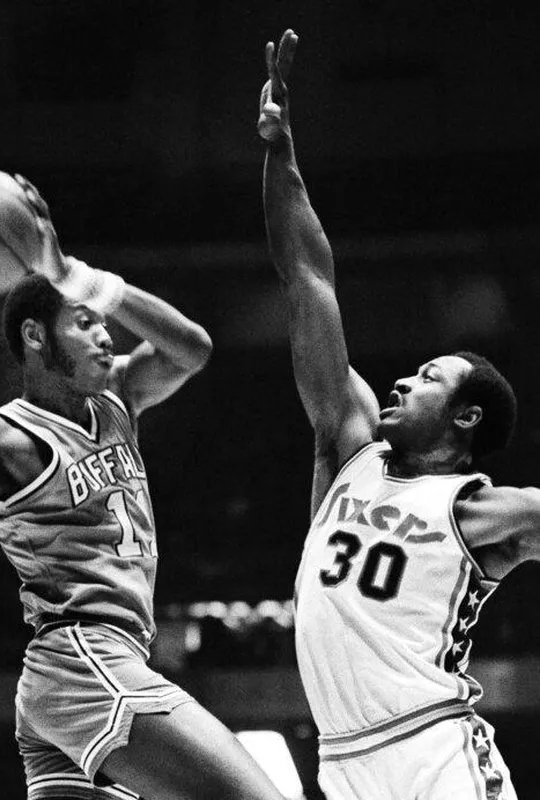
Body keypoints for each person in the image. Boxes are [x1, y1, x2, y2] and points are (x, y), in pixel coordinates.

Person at [0, 176, 288, 800]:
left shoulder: (118, 404)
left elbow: (192, 348)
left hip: (89, 672)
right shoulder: (9, 435)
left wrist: (80, 279)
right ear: (35, 337)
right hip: (83, 657)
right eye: (84, 323)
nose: (107, 334)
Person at [258, 28, 538, 800]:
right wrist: (281, 151)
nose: (401, 382)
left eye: (427, 377)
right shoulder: (348, 445)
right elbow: (307, 276)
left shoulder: (480, 510)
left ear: (468, 419)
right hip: (344, 762)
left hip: (432, 752)